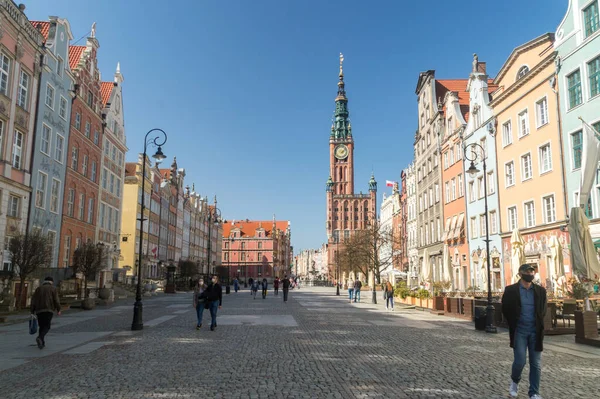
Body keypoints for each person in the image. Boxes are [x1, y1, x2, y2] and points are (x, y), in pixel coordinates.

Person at [502, 264, 547, 399]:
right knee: (520, 361)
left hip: (535, 331)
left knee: (536, 363)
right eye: (527, 271)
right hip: (519, 331)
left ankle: (534, 392)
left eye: (532, 271)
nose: (530, 273)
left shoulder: (540, 291)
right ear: (520, 273)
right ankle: (515, 382)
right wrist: (513, 323)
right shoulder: (511, 290)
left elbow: (543, 309)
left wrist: (538, 322)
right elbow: (505, 308)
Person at [30, 276, 61, 349]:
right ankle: (40, 337)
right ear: (51, 282)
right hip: (48, 310)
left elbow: (33, 300)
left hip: (39, 310)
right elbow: (56, 300)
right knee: (47, 326)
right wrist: (59, 309)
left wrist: (32, 311)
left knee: (41, 326)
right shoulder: (53, 288)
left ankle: (42, 343)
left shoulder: (38, 289)